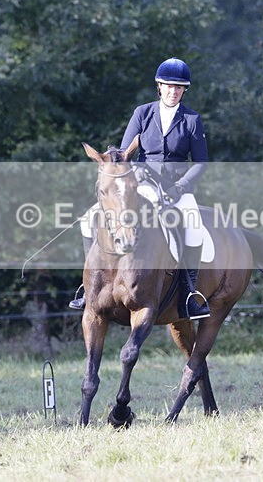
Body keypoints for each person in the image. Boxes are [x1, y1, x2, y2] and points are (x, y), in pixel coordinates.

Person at [69, 57, 210, 320]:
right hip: (140, 184)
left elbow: (201, 162)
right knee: (88, 220)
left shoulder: (191, 119)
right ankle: (87, 287)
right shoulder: (142, 113)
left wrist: (181, 186)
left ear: (184, 90)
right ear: (159, 86)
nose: (173, 91)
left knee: (193, 225)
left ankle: (190, 293)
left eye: (179, 87)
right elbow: (123, 155)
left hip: (177, 189)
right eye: (168, 86)